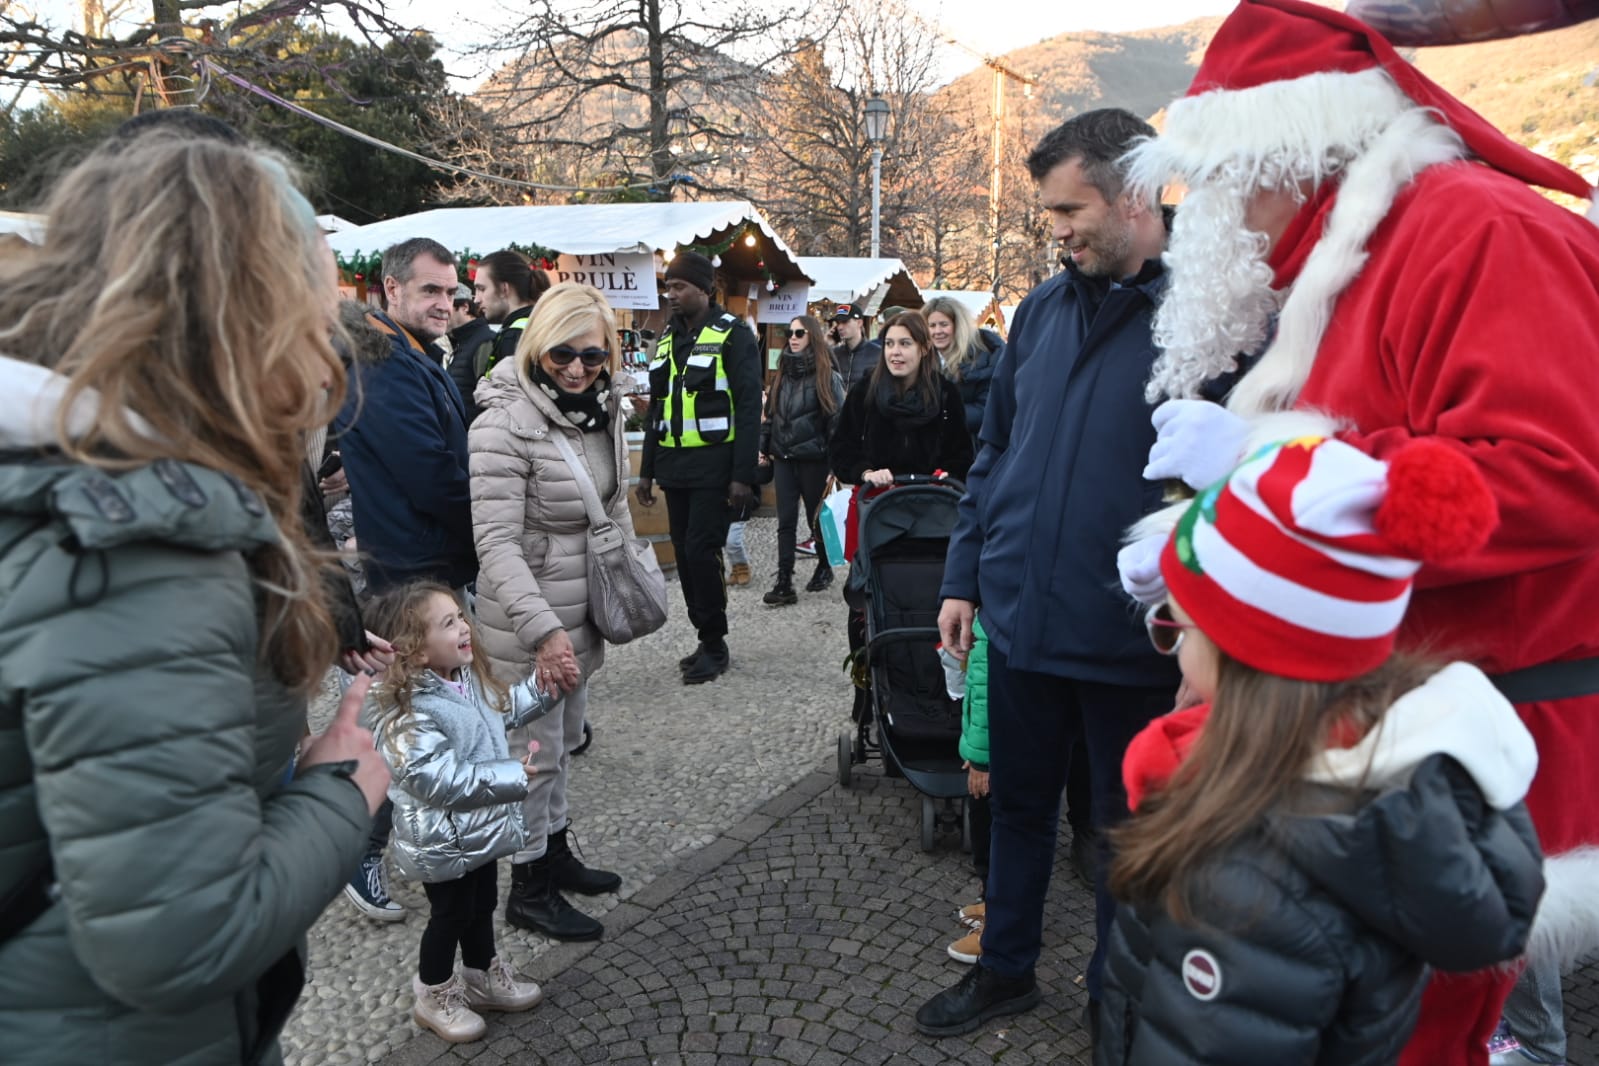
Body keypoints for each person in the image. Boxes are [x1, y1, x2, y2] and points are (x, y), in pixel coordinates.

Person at [1115, 3, 1599, 1061]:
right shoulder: (1353, 253)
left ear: (1283, 152)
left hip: (1447, 759)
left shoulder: (1478, 231)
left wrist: (1261, 481)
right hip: (1373, 746)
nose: (1204, 214)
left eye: (1215, 180)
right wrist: (1217, 543)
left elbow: (1555, 474)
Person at [0, 130, 390, 1064]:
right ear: (253, 319)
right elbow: (178, 940)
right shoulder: (135, 545)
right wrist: (343, 791)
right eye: (315, 312)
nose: (328, 356)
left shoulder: (46, 477)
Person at [1099, 435, 1544, 1063]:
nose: (1170, 643)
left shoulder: (1240, 882)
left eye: (1175, 624)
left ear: (1242, 654)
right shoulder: (1390, 787)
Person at [916, 109, 1180, 1040]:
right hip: (1020, 621)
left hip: (1130, 641)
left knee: (1123, 835)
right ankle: (1004, 971)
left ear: (1135, 195)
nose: (1056, 230)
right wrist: (962, 576)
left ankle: (1120, 1004)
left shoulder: (1208, 318)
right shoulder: (1038, 311)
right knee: (1015, 811)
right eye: (1050, 214)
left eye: (1070, 210)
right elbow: (993, 454)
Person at [471, 282, 633, 942]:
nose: (575, 369)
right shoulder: (502, 424)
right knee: (532, 756)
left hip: (578, 609)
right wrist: (542, 632)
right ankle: (528, 887)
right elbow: (495, 544)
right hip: (528, 622)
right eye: (561, 354)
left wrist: (627, 578)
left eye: (592, 356)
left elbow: (613, 505)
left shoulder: (600, 410)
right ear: (536, 345)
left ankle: (554, 850)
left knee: (561, 743)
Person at [362, 583, 551, 1044]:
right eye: (448, 623)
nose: (465, 627)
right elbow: (437, 778)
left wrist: (544, 688)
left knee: (482, 903)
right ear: (415, 651)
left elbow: (501, 710)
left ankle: (481, 975)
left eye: (461, 616)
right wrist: (510, 775)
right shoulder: (406, 711)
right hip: (442, 840)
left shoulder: (465, 679)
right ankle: (434, 993)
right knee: (450, 913)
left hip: (479, 831)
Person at [635, 251, 762, 685]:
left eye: (679, 287)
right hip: (675, 467)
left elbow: (749, 408)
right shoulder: (668, 338)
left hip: (714, 466)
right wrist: (646, 471)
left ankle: (715, 642)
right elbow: (657, 410)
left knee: (700, 552)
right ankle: (704, 636)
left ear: (705, 289)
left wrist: (742, 476)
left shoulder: (733, 335)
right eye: (667, 287)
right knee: (685, 555)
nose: (671, 295)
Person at [334, 237, 476, 596]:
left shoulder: (411, 353)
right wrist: (490, 529)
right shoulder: (384, 364)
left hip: (428, 564)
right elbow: (430, 476)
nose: (445, 305)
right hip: (417, 576)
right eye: (431, 290)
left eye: (450, 293)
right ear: (392, 289)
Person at [761, 314, 844, 606]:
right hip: (784, 458)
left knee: (816, 519)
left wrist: (835, 465)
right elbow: (771, 417)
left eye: (799, 333)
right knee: (785, 521)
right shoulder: (781, 374)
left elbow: (837, 423)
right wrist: (763, 448)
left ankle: (824, 565)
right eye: (790, 333)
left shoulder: (827, 376)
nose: (793, 338)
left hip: (813, 459)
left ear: (812, 336)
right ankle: (784, 580)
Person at [946, 615, 993, 966]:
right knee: (986, 829)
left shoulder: (994, 622)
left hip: (995, 753)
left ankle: (1000, 922)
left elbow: (986, 691)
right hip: (993, 744)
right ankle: (993, 901)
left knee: (993, 832)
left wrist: (980, 758)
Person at [923, 295, 1004, 439]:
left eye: (944, 324)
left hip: (971, 444)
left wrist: (943, 416)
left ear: (958, 326)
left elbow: (986, 410)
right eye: (932, 326)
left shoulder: (983, 358)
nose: (937, 331)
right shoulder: (922, 358)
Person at [473, 248, 552, 381]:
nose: (476, 299)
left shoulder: (514, 337)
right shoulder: (542, 322)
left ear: (504, 289)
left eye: (482, 289)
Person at [446, 284, 495, 425]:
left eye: (448, 307)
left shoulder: (484, 342)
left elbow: (489, 398)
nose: (442, 312)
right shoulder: (460, 341)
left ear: (464, 307)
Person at [828, 303, 880, 388]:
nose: (840, 327)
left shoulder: (877, 353)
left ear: (859, 323)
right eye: (838, 323)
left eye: (845, 322)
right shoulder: (834, 353)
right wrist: (825, 344)